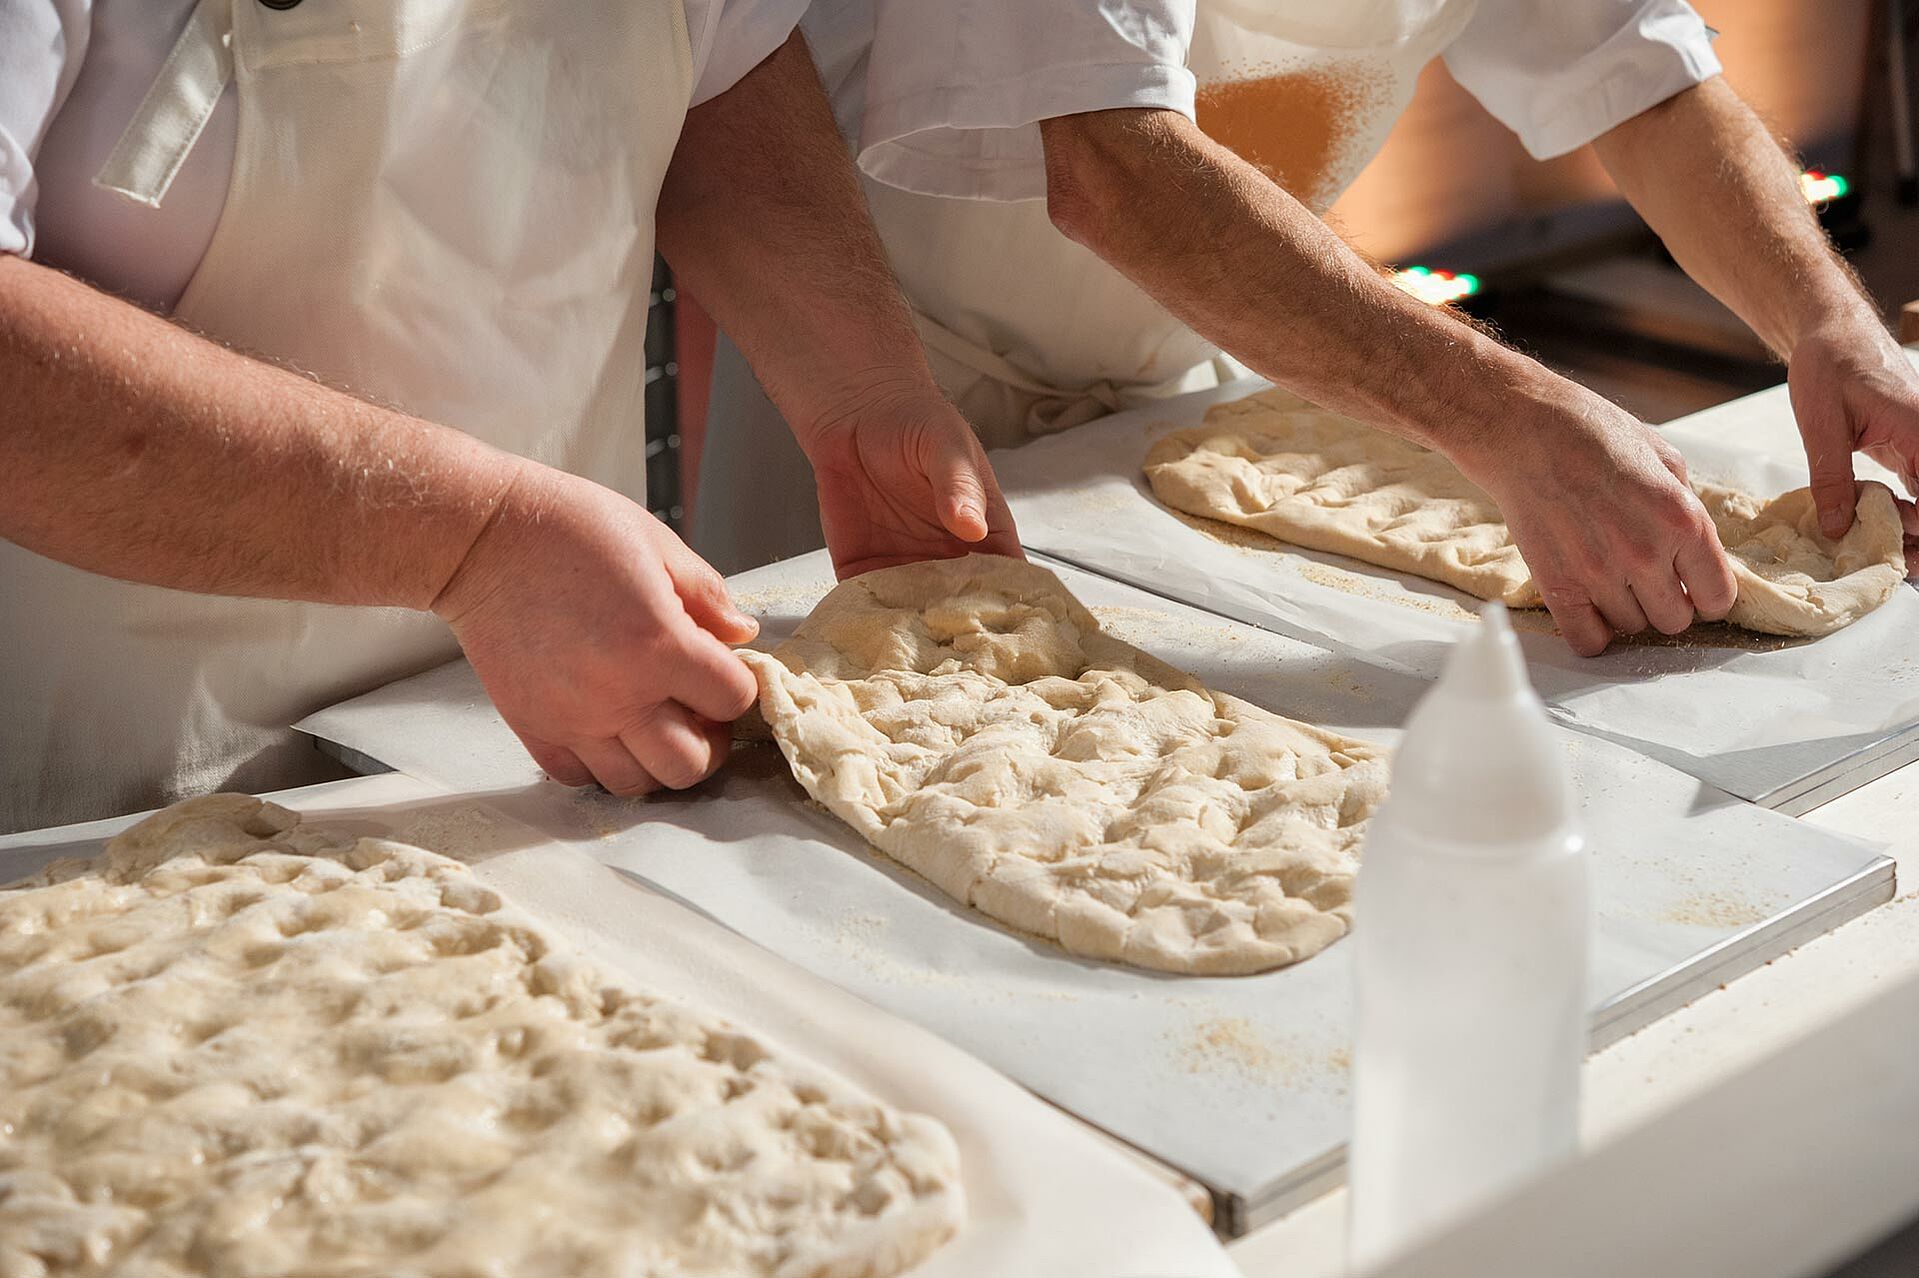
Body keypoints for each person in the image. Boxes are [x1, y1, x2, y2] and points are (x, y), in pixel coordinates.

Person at [0, 0, 1019, 833]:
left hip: (564, 765)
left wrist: (861, 386)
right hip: (102, 796)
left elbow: (718, 59)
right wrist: (470, 546)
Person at [696, 0, 1919, 656]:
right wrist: (1507, 414)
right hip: (885, 394)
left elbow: (1640, 72)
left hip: (1218, 366)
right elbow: (1110, 166)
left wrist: (1826, 322)